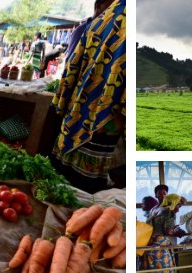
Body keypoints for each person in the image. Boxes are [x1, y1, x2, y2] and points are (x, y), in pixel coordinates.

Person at [51, 0, 125, 194]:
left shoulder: (99, 22)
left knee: (63, 187)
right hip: (104, 121)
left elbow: (71, 69)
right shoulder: (125, 21)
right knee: (85, 195)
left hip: (77, 113)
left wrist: (61, 103)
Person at [144, 194, 186, 273]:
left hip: (150, 245)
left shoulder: (154, 210)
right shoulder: (170, 212)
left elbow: (150, 225)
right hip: (161, 247)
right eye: (178, 205)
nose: (178, 210)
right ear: (173, 203)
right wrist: (175, 230)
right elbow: (168, 231)